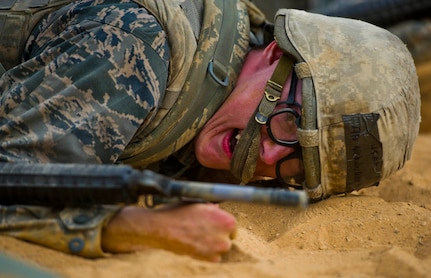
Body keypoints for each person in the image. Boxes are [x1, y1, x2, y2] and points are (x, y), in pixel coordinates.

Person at [0, 0, 420, 262]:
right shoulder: (136, 51)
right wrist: (129, 227)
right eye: (291, 121)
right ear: (275, 53)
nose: (269, 157)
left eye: (297, 169)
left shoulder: (219, 70)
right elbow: (9, 176)